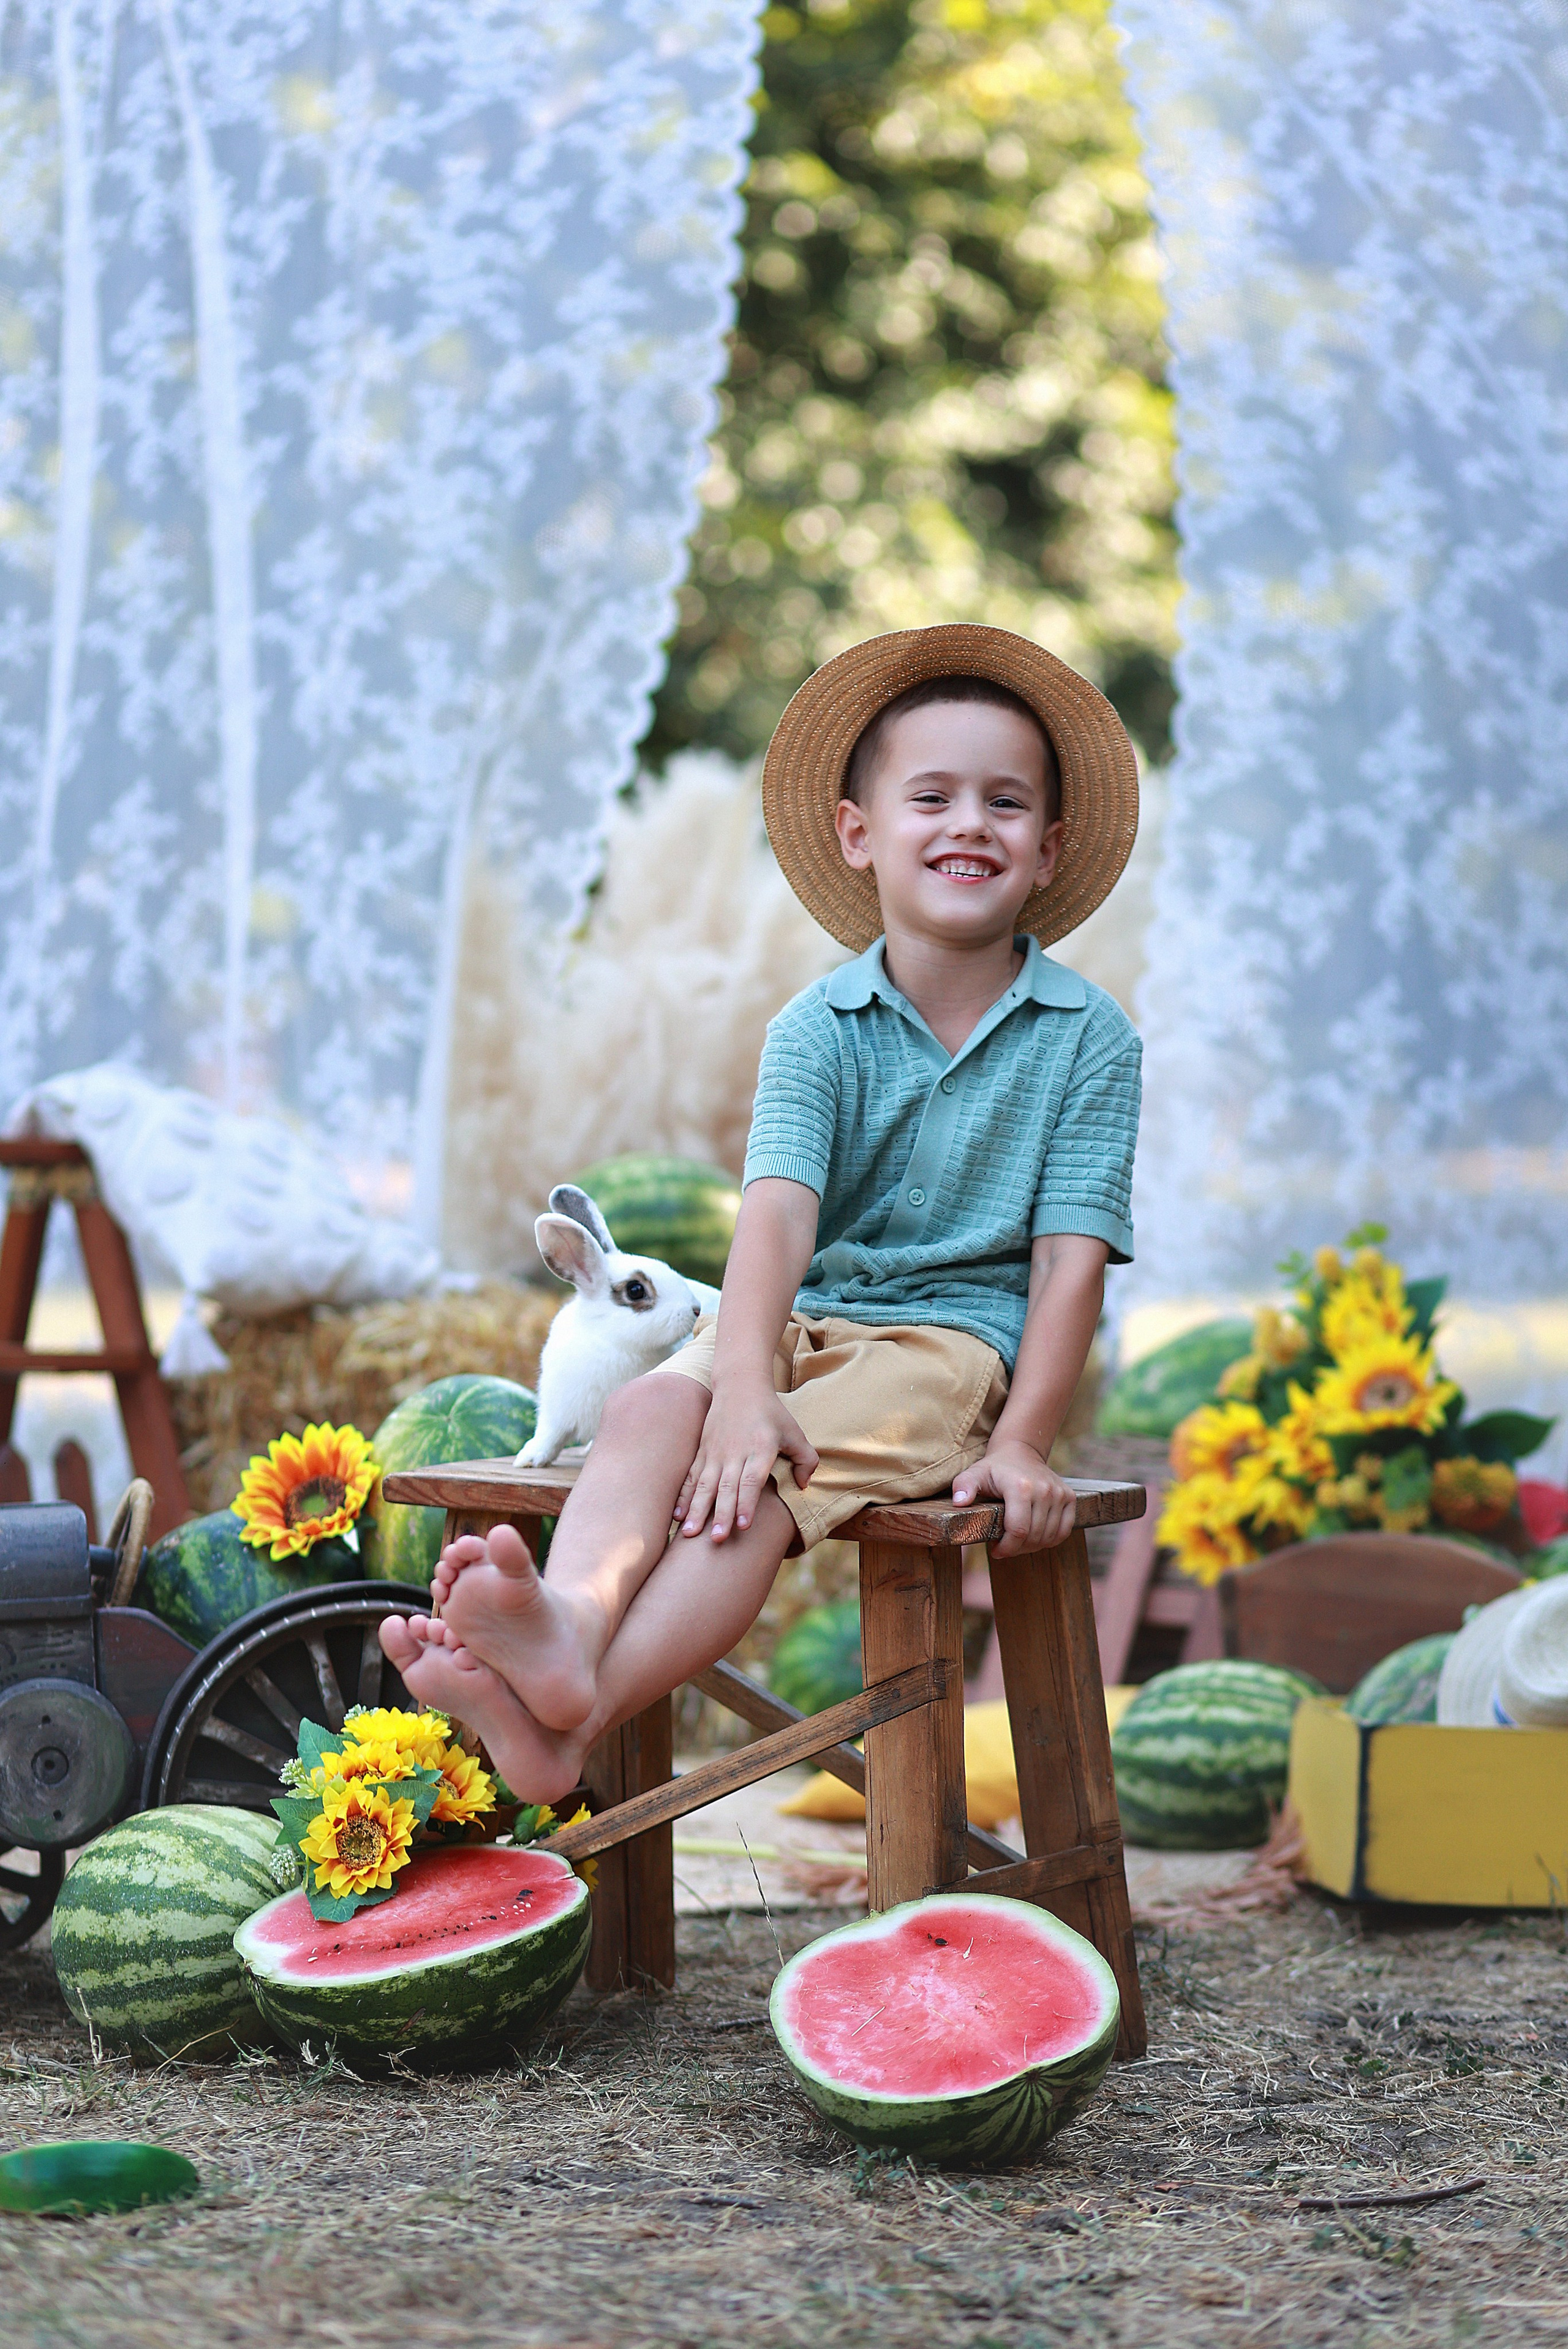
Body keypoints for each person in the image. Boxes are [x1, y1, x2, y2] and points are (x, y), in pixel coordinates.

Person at [379, 623, 1142, 1800]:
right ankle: (569, 1645)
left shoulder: (1089, 1039)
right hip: (804, 1319)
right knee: (646, 1417)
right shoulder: (814, 1030)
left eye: (1004, 803)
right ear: (858, 834)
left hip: (946, 1351)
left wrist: (1022, 1441)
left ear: (1047, 848)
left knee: (755, 1482)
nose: (967, 824)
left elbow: (1069, 1265)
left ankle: (569, 1704)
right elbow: (776, 1226)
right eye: (930, 796)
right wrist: (735, 1386)